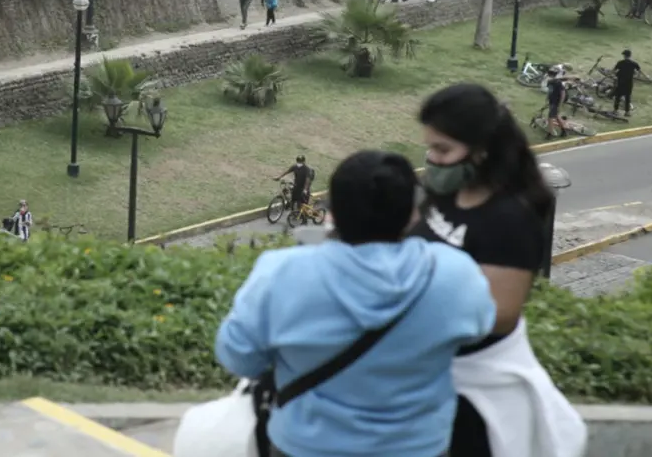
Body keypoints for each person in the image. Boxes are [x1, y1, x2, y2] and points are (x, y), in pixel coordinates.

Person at [216, 150, 496, 457]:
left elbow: (239, 357)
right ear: (413, 214)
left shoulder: (281, 271)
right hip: (418, 448)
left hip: (305, 446)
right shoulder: (456, 274)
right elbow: (480, 331)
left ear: (333, 210)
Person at [409, 83, 563, 457]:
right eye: (430, 147)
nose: (432, 159)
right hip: (423, 374)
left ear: (481, 151)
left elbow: (499, 314)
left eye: (443, 149)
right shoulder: (446, 192)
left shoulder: (510, 219)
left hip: (472, 391)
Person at [613, 49, 640, 117]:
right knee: (627, 97)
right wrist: (634, 75)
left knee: (618, 97)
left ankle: (615, 111)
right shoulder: (634, 63)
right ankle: (627, 112)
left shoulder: (620, 62)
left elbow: (614, 70)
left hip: (621, 82)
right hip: (629, 83)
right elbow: (638, 71)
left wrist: (614, 75)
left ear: (624, 55)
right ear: (630, 55)